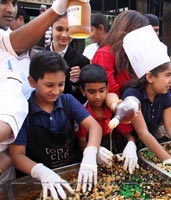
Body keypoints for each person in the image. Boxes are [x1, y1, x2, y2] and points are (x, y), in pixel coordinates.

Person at [9, 52, 102, 199]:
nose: (56, 91)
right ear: (32, 82)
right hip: (38, 182)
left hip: (71, 174)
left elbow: (95, 127)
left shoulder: (68, 101)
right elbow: (17, 155)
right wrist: (40, 171)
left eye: (61, 84)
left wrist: (90, 153)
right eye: (49, 85)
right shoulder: (23, 111)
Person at [0, 0, 74, 183]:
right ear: (33, 82)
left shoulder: (66, 101)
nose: (9, 9)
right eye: (2, 2)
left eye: (13, 3)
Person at [92, 10, 171, 113]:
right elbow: (109, 90)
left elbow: (156, 76)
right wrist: (118, 107)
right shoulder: (105, 54)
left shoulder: (135, 54)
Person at [122, 25, 171, 164]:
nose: (170, 81)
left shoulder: (163, 92)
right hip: (129, 145)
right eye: (167, 75)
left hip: (150, 146)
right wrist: (167, 160)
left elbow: (170, 125)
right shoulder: (132, 95)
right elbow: (143, 132)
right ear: (150, 77)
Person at [77, 64, 139, 174]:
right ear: (82, 91)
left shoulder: (113, 110)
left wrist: (131, 145)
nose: (97, 96)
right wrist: (95, 151)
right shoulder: (82, 114)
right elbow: (81, 141)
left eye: (101, 90)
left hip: (117, 157)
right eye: (91, 92)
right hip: (93, 164)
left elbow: (130, 134)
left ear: (107, 88)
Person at [46, 14, 90, 104]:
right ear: (51, 27)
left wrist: (75, 84)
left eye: (69, 30)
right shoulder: (38, 54)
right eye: (59, 29)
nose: (64, 35)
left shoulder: (82, 61)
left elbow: (83, 99)